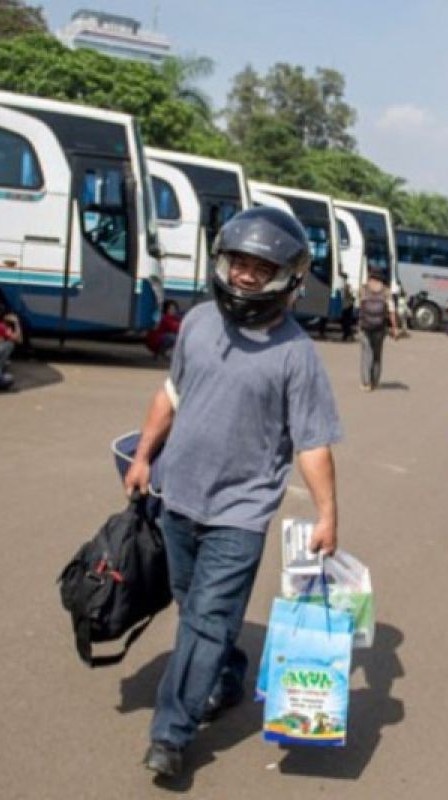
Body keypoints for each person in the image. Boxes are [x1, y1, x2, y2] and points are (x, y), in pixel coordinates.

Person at [122, 207, 342, 779]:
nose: (244, 276)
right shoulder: (196, 323)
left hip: (240, 515)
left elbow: (313, 445)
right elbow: (170, 395)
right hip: (177, 497)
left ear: (287, 280)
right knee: (192, 601)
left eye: (259, 267)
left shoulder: (296, 354)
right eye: (237, 262)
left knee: (204, 619)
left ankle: (171, 734)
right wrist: (144, 456)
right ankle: (226, 671)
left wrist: (327, 515)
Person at [357, 269, 399, 391]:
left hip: (364, 326)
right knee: (377, 355)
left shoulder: (363, 289)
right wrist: (395, 328)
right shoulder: (386, 292)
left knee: (366, 354)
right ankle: (374, 381)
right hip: (380, 328)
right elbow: (391, 311)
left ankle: (366, 382)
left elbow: (358, 307)